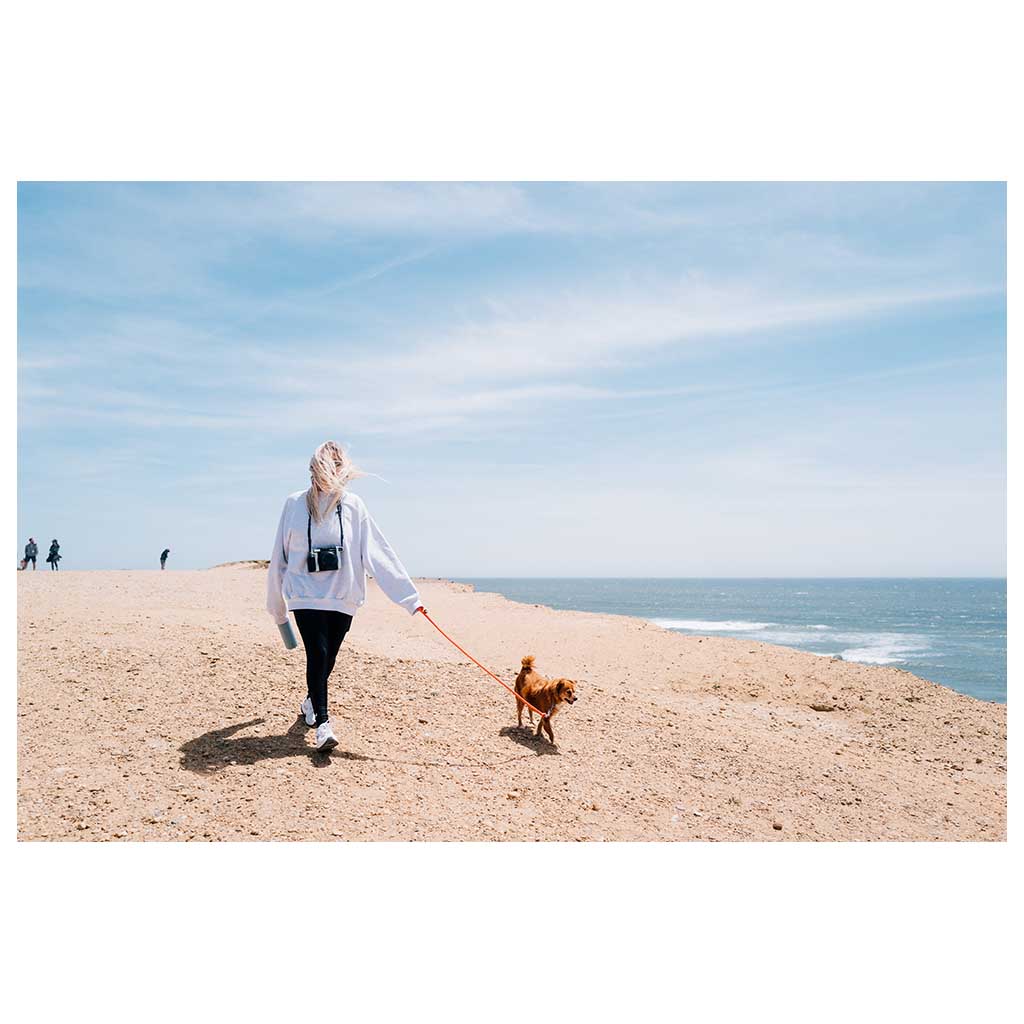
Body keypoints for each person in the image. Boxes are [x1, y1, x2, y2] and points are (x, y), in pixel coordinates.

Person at [267, 440, 425, 752]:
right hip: (305, 595)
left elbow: (378, 552)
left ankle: (311, 701)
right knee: (318, 653)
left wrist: (410, 599)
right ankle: (323, 725)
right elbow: (279, 557)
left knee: (329, 658)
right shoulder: (294, 504)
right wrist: (277, 609)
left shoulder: (353, 505)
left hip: (343, 596)